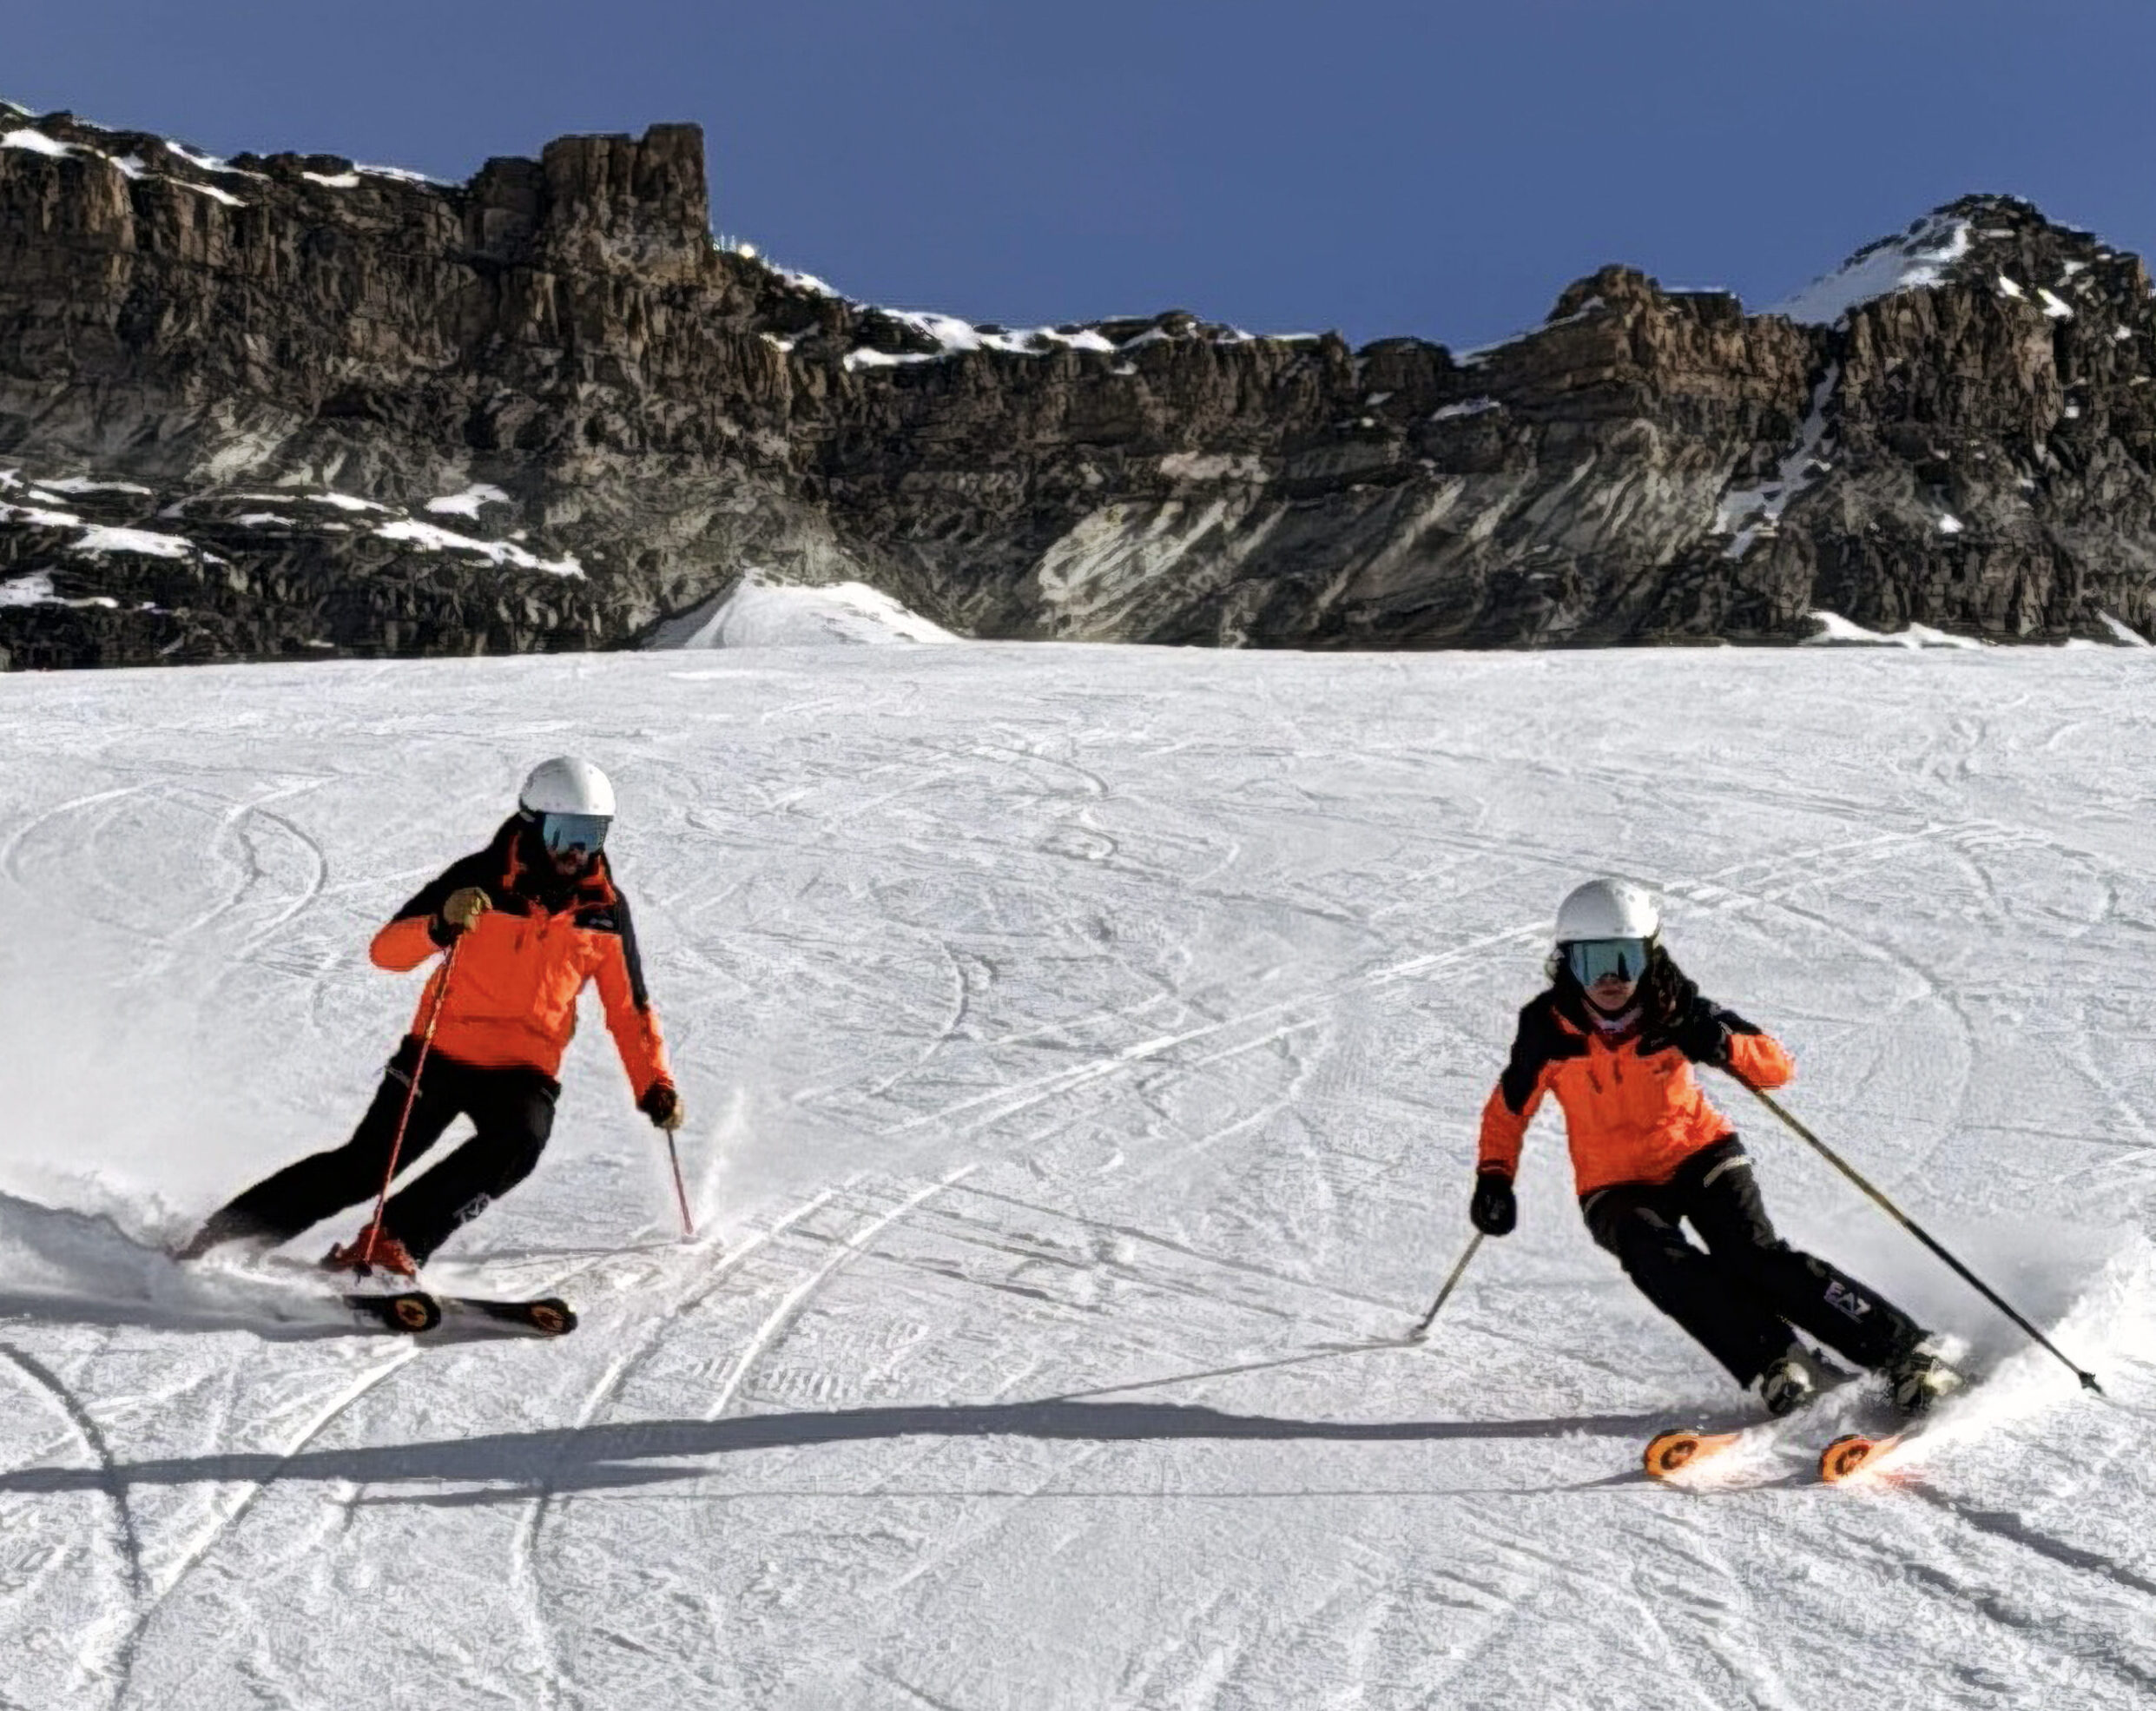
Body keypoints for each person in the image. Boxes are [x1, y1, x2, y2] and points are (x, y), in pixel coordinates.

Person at [1471, 877, 1958, 1417]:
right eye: (1592, 962)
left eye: (1624, 959)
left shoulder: (1676, 1007)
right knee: (1658, 1258)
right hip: (1613, 1182)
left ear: (1649, 956)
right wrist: (1495, 1176)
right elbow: (1508, 1109)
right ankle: (1777, 1360)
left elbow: (1776, 1066)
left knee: (1751, 1255)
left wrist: (1722, 1042)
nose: (1610, 979)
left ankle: (1905, 1354)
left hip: (1698, 1151)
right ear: (1565, 963)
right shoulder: (1546, 1030)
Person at [181, 756, 683, 1278]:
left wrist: (655, 1084)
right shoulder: (477, 879)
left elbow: (630, 1009)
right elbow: (386, 952)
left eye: (592, 833)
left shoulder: (603, 911)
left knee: (520, 1142)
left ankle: (391, 1243)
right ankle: (223, 1234)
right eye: (564, 833)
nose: (577, 852)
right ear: (534, 825)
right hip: (439, 1057)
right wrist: (440, 925)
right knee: (365, 1169)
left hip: (524, 1070)